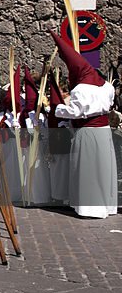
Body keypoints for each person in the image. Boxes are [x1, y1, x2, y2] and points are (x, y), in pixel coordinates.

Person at [51, 33, 118, 218]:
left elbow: (76, 112)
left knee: (88, 168)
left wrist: (57, 109)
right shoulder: (106, 86)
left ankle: (90, 208)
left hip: (88, 131)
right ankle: (106, 205)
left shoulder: (81, 89)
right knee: (103, 168)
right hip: (103, 132)